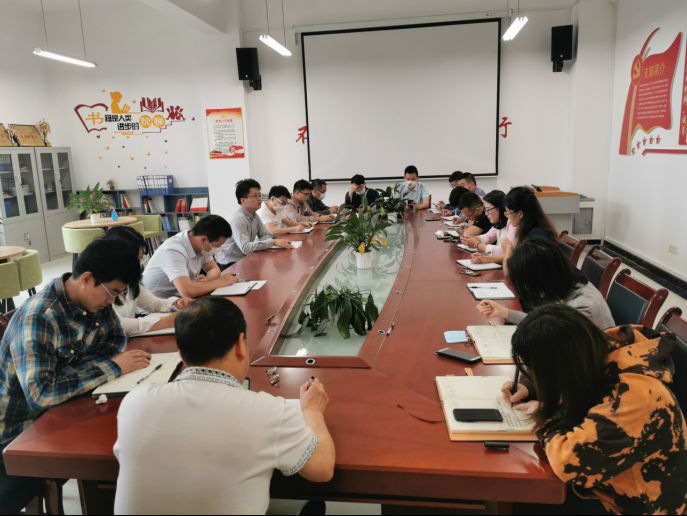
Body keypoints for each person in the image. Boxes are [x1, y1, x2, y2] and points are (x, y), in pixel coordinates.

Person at [114, 297, 336, 514]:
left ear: (180, 354)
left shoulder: (134, 401)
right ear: (240, 344)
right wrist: (312, 412)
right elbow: (323, 469)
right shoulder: (268, 412)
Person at [0, 239, 152, 513]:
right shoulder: (40, 317)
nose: (112, 301)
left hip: (64, 408)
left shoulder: (95, 302)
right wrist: (112, 368)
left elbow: (115, 339)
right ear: (86, 278)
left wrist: (76, 374)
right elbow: (42, 394)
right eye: (111, 292)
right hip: (19, 433)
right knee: (114, 456)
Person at [503, 304, 687, 515]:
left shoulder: (634, 396)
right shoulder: (598, 349)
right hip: (612, 483)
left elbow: (567, 463)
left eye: (537, 371)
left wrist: (547, 414)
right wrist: (530, 387)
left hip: (640, 505)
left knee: (523, 498)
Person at [477, 237, 615, 329]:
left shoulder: (583, 308)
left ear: (541, 279)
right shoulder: (568, 283)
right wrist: (505, 313)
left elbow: (550, 330)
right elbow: (548, 323)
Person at [101, 226, 191, 336]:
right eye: (138, 258)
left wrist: (176, 304)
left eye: (141, 258)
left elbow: (153, 303)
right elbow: (119, 325)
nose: (140, 263)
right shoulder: (101, 286)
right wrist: (166, 321)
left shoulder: (130, 280)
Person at [142, 214, 238, 298]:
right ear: (203, 240)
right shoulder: (173, 250)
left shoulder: (199, 244)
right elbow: (187, 291)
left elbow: (214, 269)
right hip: (158, 305)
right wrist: (221, 282)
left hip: (179, 299)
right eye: (217, 245)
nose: (218, 249)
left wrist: (207, 281)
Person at [216, 179, 292, 269]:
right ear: (243, 200)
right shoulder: (238, 219)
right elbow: (246, 248)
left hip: (245, 258)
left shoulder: (254, 215)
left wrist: (265, 243)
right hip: (230, 264)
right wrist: (272, 242)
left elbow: (266, 235)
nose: (259, 199)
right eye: (255, 196)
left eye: (260, 195)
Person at [498, 186, 558, 275]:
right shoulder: (535, 228)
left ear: (520, 214)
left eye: (508, 213)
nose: (508, 217)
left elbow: (509, 271)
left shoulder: (536, 237)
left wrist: (508, 248)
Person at [461, 190, 517, 265]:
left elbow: (504, 251)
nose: (486, 214)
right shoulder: (499, 222)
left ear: (499, 208)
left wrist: (477, 245)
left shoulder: (513, 223)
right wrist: (472, 239)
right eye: (485, 210)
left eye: (488, 210)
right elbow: (488, 237)